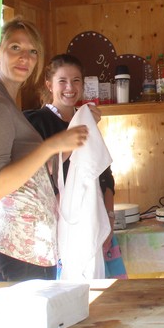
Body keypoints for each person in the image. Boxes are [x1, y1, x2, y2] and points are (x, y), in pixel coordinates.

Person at [0, 18, 89, 282]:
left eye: (33, 51)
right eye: (15, 47)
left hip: (29, 248)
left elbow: (34, 172)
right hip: (20, 249)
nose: (25, 57)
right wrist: (51, 145)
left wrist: (70, 141)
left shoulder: (4, 100)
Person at [23, 53, 126, 279]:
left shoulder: (86, 120)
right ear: (49, 85)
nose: (70, 87)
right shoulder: (35, 121)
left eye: (76, 80)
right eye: (62, 81)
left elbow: (104, 175)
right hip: (55, 227)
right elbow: (37, 172)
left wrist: (109, 217)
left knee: (102, 294)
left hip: (93, 218)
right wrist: (79, 132)